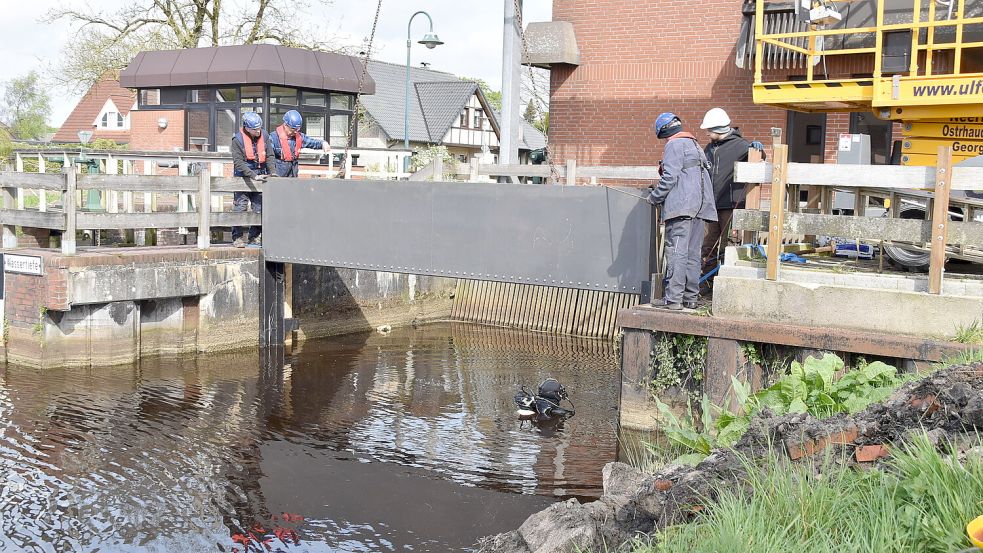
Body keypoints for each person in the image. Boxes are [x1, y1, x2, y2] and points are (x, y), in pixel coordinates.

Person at [646, 112, 717, 310]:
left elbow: (670, 177)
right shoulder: (695, 145)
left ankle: (673, 299)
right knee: (693, 254)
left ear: (665, 132)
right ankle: (690, 298)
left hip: (682, 209)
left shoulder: (674, 145)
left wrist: (655, 197)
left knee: (676, 252)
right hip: (700, 208)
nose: (665, 141)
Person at [699, 107, 766, 282]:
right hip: (711, 205)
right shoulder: (710, 148)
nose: (706, 133)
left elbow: (759, 160)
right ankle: (706, 283)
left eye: (709, 130)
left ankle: (726, 281)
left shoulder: (741, 146)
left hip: (730, 204)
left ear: (718, 129)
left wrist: (757, 150)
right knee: (708, 246)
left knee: (729, 245)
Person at [231, 111, 276, 248]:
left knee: (259, 207)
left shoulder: (265, 136)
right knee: (240, 207)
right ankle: (237, 238)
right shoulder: (237, 140)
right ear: (247, 128)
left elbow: (269, 156)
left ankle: (254, 236)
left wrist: (272, 172)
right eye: (255, 129)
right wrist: (252, 175)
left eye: (259, 128)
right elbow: (238, 162)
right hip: (243, 176)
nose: (258, 131)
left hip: (260, 174)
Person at [268, 110, 332, 177]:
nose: (295, 132)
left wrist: (323, 143)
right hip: (278, 176)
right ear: (285, 125)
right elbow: (268, 157)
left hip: (293, 175)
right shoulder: (273, 138)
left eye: (297, 129)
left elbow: (312, 142)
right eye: (292, 129)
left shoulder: (299, 137)